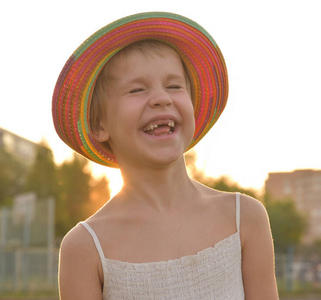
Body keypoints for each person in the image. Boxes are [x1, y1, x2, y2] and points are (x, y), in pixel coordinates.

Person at [53, 12, 279, 299]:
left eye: (174, 86)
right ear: (100, 125)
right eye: (137, 89)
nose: (162, 98)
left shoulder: (244, 218)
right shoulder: (85, 247)